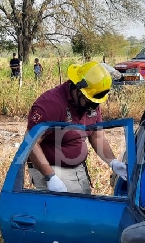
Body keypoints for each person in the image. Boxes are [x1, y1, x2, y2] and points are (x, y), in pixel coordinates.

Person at [26, 61, 127, 194]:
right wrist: (50, 177)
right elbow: (31, 143)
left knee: (84, 205)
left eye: (95, 103)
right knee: (67, 211)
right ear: (77, 89)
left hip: (77, 167)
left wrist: (112, 162)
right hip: (51, 166)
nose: (93, 107)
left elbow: (97, 136)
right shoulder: (50, 104)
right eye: (90, 101)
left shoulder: (91, 101)